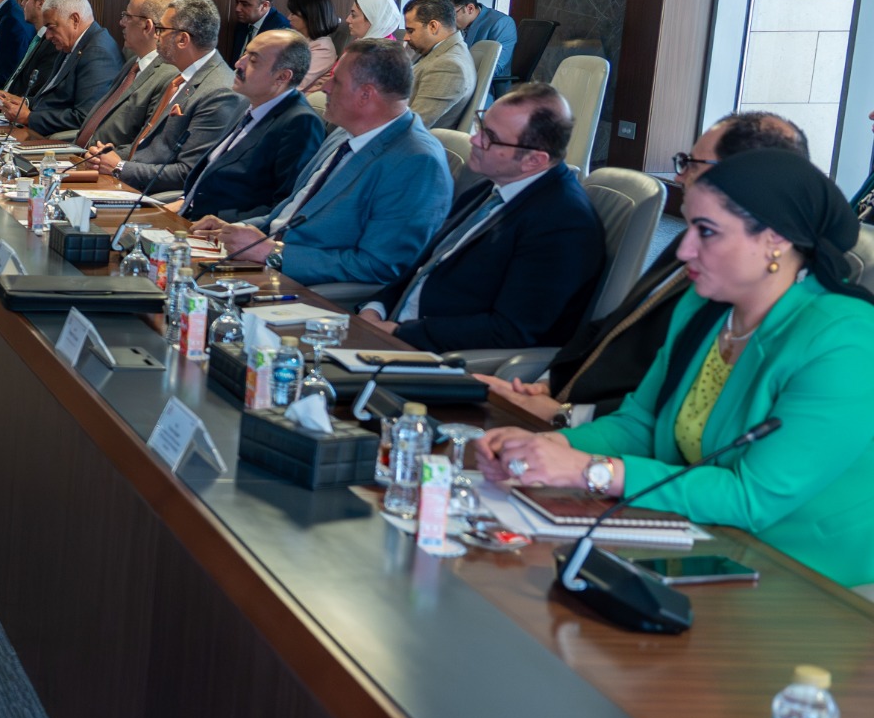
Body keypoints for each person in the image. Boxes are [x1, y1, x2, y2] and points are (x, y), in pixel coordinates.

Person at [480, 148, 874, 590]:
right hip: (699, 534)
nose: (684, 250)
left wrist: (586, 470)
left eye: (706, 232)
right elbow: (640, 424)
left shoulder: (846, 341)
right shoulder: (704, 306)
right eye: (688, 226)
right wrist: (546, 447)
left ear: (775, 239)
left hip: (808, 575)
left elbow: (752, 499)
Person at [485, 111, 811, 422]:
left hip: (607, 432)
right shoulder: (691, 238)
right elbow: (615, 324)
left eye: (692, 164)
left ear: (745, 178)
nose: (679, 176)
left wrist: (567, 416)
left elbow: (673, 400)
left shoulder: (756, 289)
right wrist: (547, 383)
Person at [358, 84, 604, 351]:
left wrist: (399, 332)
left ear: (534, 161)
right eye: (481, 125)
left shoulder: (563, 224)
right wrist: (375, 308)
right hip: (390, 331)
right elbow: (426, 267)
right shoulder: (492, 185)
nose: (474, 140)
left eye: (490, 137)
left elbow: (510, 331)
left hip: (438, 357)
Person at [191, 38, 453, 289]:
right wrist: (238, 230)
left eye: (336, 81)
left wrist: (272, 253)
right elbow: (290, 215)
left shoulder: (417, 162)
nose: (325, 87)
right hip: (264, 264)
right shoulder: (344, 132)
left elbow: (381, 266)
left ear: (366, 94)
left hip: (308, 290)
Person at [80, 0, 243, 194]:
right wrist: (105, 155)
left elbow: (187, 173)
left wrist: (120, 167)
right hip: (132, 181)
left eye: (161, 30)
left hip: (153, 196)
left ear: (182, 39)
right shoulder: (180, 79)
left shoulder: (219, 92)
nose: (157, 36)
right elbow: (147, 147)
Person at [179, 29, 326, 224]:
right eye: (245, 54)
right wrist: (185, 202)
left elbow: (286, 205)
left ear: (282, 77)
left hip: (225, 231)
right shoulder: (248, 103)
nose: (238, 64)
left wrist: (228, 224)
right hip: (190, 214)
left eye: (253, 60)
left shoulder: (300, 123)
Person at [0, 0, 121, 134]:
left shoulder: (98, 52)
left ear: (74, 20)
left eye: (51, 27)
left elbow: (85, 117)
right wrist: (17, 101)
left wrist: (29, 118)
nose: (48, 36)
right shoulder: (72, 45)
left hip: (59, 142)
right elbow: (53, 99)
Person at [68, 0, 180, 150]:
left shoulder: (169, 76)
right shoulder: (132, 64)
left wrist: (105, 158)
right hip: (79, 153)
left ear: (147, 26)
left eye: (127, 16)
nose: (121, 22)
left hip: (105, 162)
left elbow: (144, 146)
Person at [402, 0, 477, 126]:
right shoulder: (436, 50)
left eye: (410, 31)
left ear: (433, 26)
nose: (406, 37)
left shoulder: (450, 66)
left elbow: (413, 124)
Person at [444, 0, 517, 95]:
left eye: (451, 15)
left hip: (486, 90)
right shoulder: (455, 26)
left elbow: (494, 68)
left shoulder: (501, 23)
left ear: (470, 8)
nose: (447, 20)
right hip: (457, 84)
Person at [217, 0, 293, 64]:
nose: (237, 9)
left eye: (245, 4)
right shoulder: (243, 22)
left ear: (264, 5)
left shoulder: (281, 30)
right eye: (237, 2)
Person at [286, 0, 348, 94]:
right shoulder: (298, 39)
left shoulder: (323, 48)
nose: (288, 18)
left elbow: (295, 84)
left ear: (310, 15)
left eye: (293, 14)